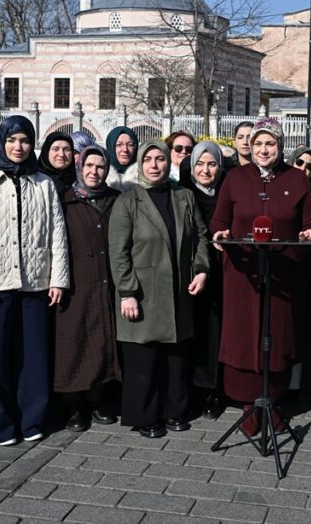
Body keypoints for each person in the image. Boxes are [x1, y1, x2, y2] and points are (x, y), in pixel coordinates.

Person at [210, 118, 311, 438]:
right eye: (258, 143)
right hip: (244, 275)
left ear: (280, 146)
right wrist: (219, 232)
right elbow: (219, 218)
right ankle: (249, 406)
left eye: (270, 144)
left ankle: (272, 402)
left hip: (283, 274)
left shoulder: (297, 180)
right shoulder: (235, 178)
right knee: (245, 337)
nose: (263, 149)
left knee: (277, 336)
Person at [0, 116, 69, 445]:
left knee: (33, 355)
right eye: (12, 140)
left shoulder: (44, 183)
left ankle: (32, 420)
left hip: (35, 282)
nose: (18, 147)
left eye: (24, 141)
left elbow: (57, 234)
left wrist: (58, 279)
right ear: (2, 142)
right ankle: (0, 425)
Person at [109, 140, 210, 438]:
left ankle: (174, 410)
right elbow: (118, 252)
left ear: (169, 163)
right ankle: (144, 415)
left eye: (160, 159)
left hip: (179, 290)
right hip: (143, 291)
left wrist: (202, 270)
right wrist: (127, 291)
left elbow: (201, 237)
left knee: (176, 359)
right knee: (144, 360)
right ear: (140, 164)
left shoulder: (184, 196)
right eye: (149, 159)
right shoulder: (128, 201)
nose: (155, 165)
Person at [54, 145, 121, 432]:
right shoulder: (65, 200)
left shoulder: (114, 200)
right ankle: (74, 407)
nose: (95, 172)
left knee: (102, 341)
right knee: (74, 343)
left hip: (105, 282)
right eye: (89, 166)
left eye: (100, 167)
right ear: (80, 168)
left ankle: (97, 400)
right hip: (75, 284)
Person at [180, 140, 228, 419]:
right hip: (192, 273)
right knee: (192, 330)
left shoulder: (226, 193)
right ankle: (192, 388)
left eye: (211, 164)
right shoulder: (184, 195)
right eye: (200, 164)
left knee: (215, 331)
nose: (206, 170)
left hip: (222, 273)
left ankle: (213, 390)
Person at [105, 126, 139, 192]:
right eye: (119, 144)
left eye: (130, 144)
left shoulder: (144, 176)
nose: (125, 149)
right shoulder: (101, 175)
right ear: (111, 147)